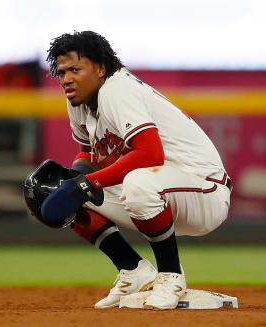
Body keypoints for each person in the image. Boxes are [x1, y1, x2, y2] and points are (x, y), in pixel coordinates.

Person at [37, 31, 232, 310]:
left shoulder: (117, 89)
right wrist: (75, 179)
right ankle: (133, 270)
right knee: (51, 186)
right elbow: (90, 155)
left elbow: (150, 153)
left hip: (205, 190)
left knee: (137, 183)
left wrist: (83, 185)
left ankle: (171, 276)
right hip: (161, 189)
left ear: (100, 68)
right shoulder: (78, 101)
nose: (66, 79)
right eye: (62, 72)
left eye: (76, 70)